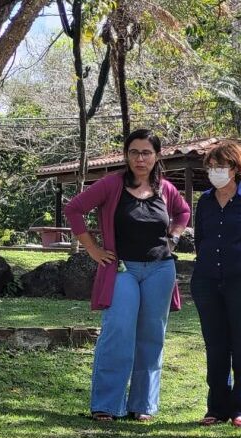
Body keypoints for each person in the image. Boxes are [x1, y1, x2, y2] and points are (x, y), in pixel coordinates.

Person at [64, 129, 191, 422]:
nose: (140, 158)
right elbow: (74, 209)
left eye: (146, 152)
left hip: (160, 269)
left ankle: (142, 405)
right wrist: (93, 249)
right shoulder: (112, 184)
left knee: (151, 336)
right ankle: (106, 405)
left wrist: (173, 235)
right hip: (122, 270)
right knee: (118, 332)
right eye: (134, 152)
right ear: (127, 155)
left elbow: (183, 213)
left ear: (157, 156)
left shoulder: (166, 188)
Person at [191, 141, 241, 428]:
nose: (215, 172)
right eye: (211, 167)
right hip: (207, 280)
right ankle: (217, 407)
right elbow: (200, 239)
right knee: (216, 345)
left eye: (220, 166)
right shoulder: (205, 200)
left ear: (236, 168)